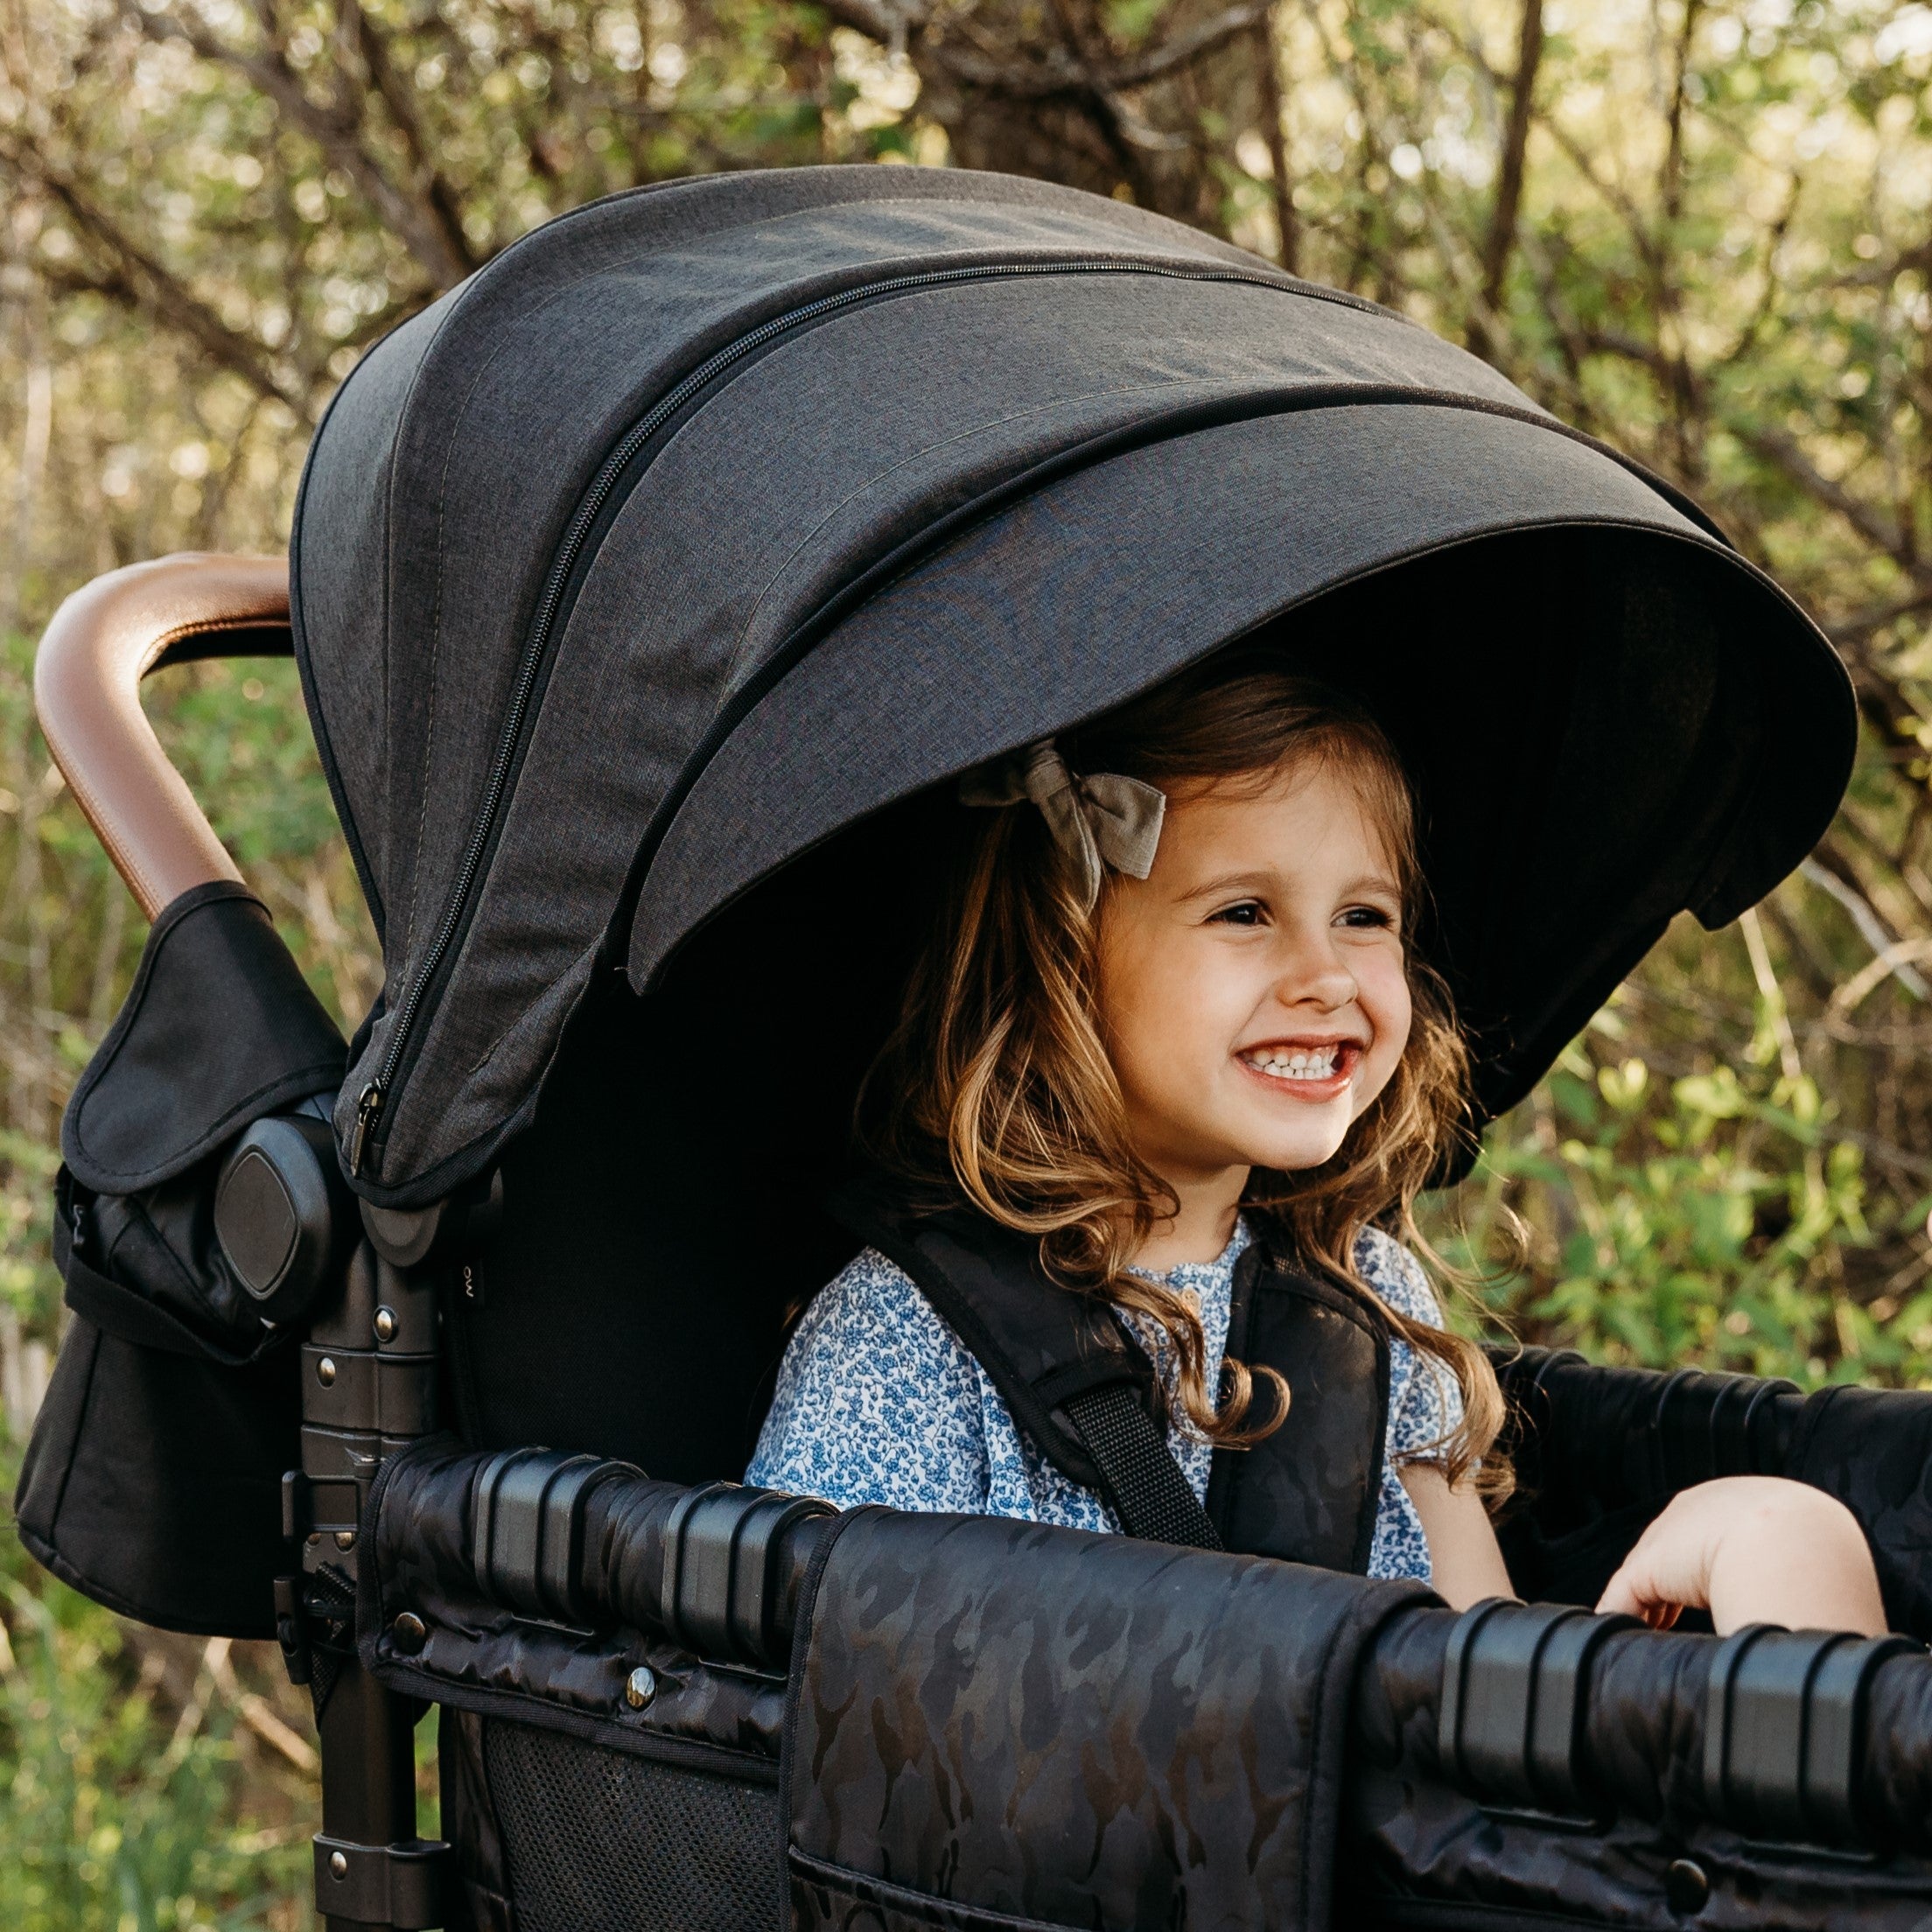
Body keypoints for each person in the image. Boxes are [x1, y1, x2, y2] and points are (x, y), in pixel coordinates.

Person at [747, 653, 1886, 1636]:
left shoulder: (1364, 1304)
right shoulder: (908, 1342)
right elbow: (809, 1735)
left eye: (1365, 915)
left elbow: (1478, 1690)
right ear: (1062, 961)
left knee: (1790, 1533)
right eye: (1245, 911)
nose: (1328, 975)